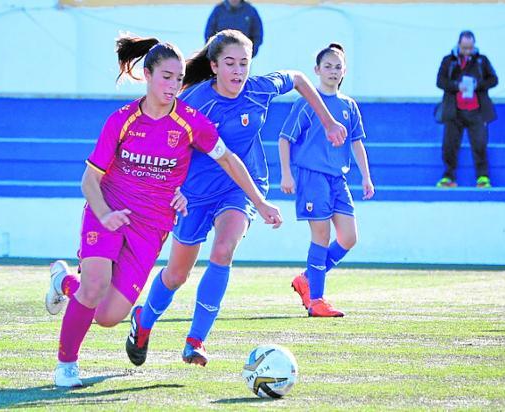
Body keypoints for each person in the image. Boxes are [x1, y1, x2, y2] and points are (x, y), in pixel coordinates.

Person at [44, 34, 284, 387]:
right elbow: (89, 181)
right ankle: (66, 366)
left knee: (109, 316)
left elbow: (228, 161)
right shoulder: (121, 121)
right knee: (94, 285)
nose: (173, 85)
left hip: (151, 224)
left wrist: (260, 203)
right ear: (147, 75)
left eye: (178, 77)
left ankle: (64, 282)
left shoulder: (190, 121)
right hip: (108, 210)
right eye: (166, 77)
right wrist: (104, 213)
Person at [126, 30, 347, 368]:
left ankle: (195, 340)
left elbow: (300, 79)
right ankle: (143, 322)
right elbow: (166, 147)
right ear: (213, 66)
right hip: (194, 193)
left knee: (224, 249)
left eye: (244, 63)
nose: (238, 71)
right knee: (176, 274)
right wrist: (170, 190)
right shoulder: (195, 103)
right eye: (230, 63)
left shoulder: (259, 90)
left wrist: (328, 120)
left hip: (240, 187)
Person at [279, 43, 375, 317]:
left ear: (344, 71)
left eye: (338, 67)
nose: (333, 71)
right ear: (317, 70)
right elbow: (285, 139)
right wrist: (286, 174)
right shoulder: (307, 103)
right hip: (312, 177)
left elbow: (357, 143)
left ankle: (306, 279)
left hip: (338, 179)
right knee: (321, 236)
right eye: (328, 66)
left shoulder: (349, 105)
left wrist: (366, 177)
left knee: (349, 238)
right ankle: (317, 300)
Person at [436, 30, 498, 188]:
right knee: (449, 145)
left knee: (479, 144)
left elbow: (493, 79)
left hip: (477, 112)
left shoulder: (481, 61)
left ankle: (482, 178)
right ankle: (448, 177)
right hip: (454, 112)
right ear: (458, 45)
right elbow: (440, 82)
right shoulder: (449, 61)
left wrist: (478, 85)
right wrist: (457, 86)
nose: (467, 51)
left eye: (470, 48)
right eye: (464, 48)